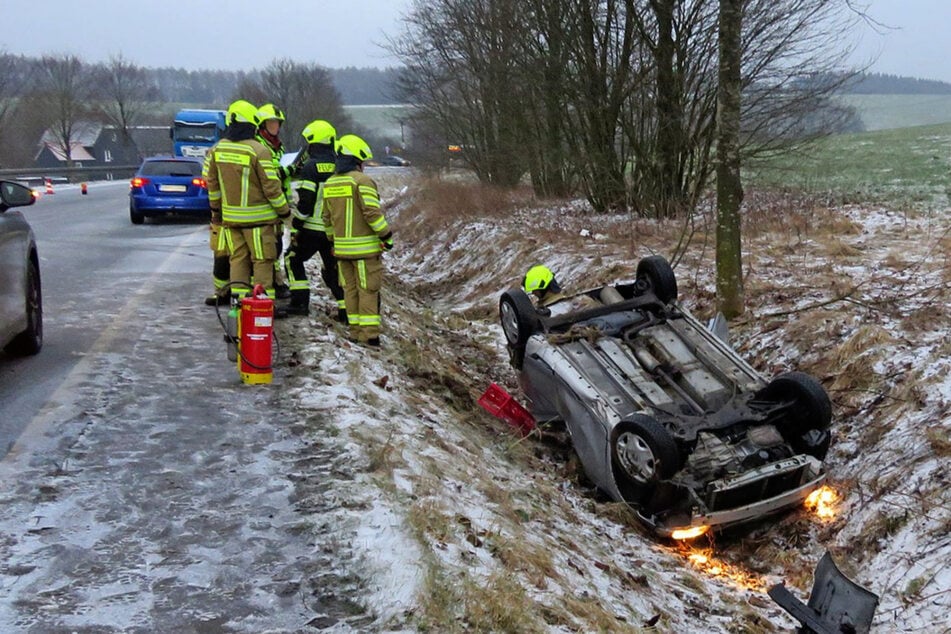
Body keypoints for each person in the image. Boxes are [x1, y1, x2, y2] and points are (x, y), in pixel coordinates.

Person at [204, 99, 291, 307]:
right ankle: (262, 310)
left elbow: (212, 186)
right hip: (259, 222)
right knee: (262, 262)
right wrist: (285, 213)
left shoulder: (218, 150)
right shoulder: (259, 151)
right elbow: (272, 188)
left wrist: (217, 213)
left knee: (238, 260)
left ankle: (239, 308)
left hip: (231, 221)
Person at [321, 134, 392, 346]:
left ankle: (354, 332)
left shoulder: (330, 183)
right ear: (357, 161)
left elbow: (326, 218)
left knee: (349, 291)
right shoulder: (363, 182)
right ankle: (370, 336)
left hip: (342, 251)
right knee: (368, 290)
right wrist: (386, 236)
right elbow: (372, 213)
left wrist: (333, 240)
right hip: (365, 251)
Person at [284, 119, 347, 319]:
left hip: (312, 228)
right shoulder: (340, 166)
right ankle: (346, 309)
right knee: (333, 269)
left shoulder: (310, 167)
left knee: (292, 259)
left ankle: (299, 302)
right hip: (334, 231)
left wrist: (297, 224)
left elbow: (306, 202)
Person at [255, 103, 291, 299]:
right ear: (262, 124)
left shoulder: (277, 145)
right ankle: (271, 285)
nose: (276, 126)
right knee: (270, 246)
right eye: (272, 122)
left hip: (279, 200)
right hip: (267, 203)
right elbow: (270, 174)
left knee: (276, 244)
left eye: (278, 123)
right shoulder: (260, 146)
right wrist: (288, 170)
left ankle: (277, 280)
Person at [523, 264, 600, 316]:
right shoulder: (573, 303)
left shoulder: (551, 312)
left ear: (543, 288)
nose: (533, 293)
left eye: (535, 290)